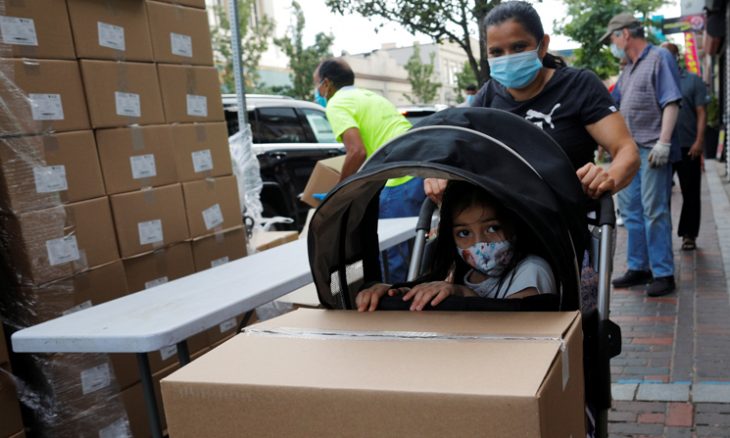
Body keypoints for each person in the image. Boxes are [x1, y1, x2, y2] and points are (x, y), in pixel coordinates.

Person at [423, 1, 639, 204]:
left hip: (569, 220)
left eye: (519, 47)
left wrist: (608, 177)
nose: (508, 58)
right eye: (496, 52)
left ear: (543, 45)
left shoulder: (578, 86)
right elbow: (459, 150)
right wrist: (440, 174)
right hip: (505, 220)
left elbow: (625, 149)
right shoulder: (487, 97)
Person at [356, 181, 556, 312]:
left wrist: (463, 295)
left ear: (514, 225)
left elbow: (517, 324)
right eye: (464, 233)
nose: (479, 243)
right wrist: (393, 293)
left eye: (492, 228)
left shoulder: (532, 271)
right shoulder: (462, 273)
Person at [313, 58, 425, 283]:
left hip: (396, 178)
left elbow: (357, 152)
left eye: (316, 84)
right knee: (417, 247)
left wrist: (338, 193)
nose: (316, 91)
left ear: (326, 84)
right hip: (419, 170)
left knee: (395, 256)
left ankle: (398, 301)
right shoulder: (370, 96)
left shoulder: (336, 103)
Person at [601, 13, 682, 297]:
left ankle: (663, 272)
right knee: (631, 212)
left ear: (625, 34)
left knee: (654, 211)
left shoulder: (659, 57)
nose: (612, 44)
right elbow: (615, 104)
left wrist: (664, 143)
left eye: (612, 38)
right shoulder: (629, 68)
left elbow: (671, 101)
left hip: (651, 149)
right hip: (630, 151)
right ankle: (639, 267)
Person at [661, 42, 709, 251]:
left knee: (690, 193)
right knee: (661, 196)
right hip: (663, 148)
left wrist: (699, 141)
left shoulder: (693, 80)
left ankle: (689, 235)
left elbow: (702, 113)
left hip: (688, 146)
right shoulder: (657, 79)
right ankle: (662, 237)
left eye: (668, 55)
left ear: (676, 57)